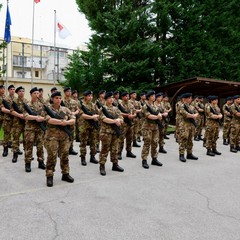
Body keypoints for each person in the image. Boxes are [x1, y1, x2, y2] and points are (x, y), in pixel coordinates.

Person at [42, 91, 75, 187]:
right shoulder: (47, 109)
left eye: (60, 98)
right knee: (52, 156)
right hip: (52, 138)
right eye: (56, 98)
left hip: (64, 137)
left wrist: (67, 123)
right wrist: (62, 122)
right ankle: (49, 176)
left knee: (65, 155)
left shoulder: (65, 109)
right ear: (52, 99)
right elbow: (49, 120)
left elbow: (73, 119)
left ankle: (65, 174)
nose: (58, 100)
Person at [98, 91, 124, 175]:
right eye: (109, 98)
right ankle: (102, 166)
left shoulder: (116, 108)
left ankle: (115, 164)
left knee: (114, 149)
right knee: (105, 149)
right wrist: (115, 121)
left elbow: (121, 118)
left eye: (112, 98)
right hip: (106, 133)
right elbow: (104, 119)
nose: (111, 99)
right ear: (105, 99)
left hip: (114, 132)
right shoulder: (103, 108)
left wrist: (119, 120)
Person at [23, 87, 46, 172]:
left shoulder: (42, 105)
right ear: (31, 94)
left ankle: (41, 162)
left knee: (40, 146)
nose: (36, 95)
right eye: (34, 93)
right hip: (30, 129)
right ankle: (28, 163)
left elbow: (46, 115)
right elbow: (25, 116)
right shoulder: (27, 104)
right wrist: (36, 117)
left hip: (39, 129)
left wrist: (42, 118)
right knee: (29, 146)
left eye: (37, 93)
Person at [141, 90, 163, 169]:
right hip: (147, 127)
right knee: (147, 143)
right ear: (149, 97)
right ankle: (144, 160)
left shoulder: (155, 105)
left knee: (155, 143)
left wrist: (159, 115)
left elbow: (158, 112)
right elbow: (149, 116)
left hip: (155, 127)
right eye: (153, 96)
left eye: (154, 96)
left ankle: (154, 159)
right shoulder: (145, 106)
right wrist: (158, 117)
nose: (154, 97)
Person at [78, 90, 99, 166]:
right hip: (84, 126)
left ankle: (92, 157)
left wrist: (97, 116)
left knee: (93, 142)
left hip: (92, 126)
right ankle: (83, 157)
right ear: (85, 97)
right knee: (83, 143)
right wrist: (92, 117)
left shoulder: (93, 105)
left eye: (91, 96)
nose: (91, 97)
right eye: (89, 96)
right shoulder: (81, 105)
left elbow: (98, 113)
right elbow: (82, 115)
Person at [178, 93, 199, 162]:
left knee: (190, 140)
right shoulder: (181, 106)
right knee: (183, 139)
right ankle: (181, 154)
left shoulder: (191, 106)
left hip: (191, 125)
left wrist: (194, 115)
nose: (191, 99)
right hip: (184, 125)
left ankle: (189, 154)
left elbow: (197, 112)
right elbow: (186, 115)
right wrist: (193, 115)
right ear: (185, 99)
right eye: (190, 98)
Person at [11, 86, 28, 163]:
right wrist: (19, 115)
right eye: (20, 91)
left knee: (26, 140)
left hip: (25, 123)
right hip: (17, 123)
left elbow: (29, 111)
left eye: (23, 91)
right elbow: (11, 111)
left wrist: (25, 116)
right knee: (15, 139)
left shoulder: (27, 101)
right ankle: (15, 155)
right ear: (17, 93)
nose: (22, 92)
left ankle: (27, 155)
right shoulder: (14, 101)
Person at [117, 91, 136, 160]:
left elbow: (135, 112)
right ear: (122, 97)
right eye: (125, 96)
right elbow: (118, 113)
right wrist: (128, 115)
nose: (127, 97)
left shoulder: (131, 104)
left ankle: (129, 151)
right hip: (123, 124)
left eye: (128, 96)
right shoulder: (119, 104)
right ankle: (119, 153)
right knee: (121, 139)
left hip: (130, 124)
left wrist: (133, 116)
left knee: (130, 138)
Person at [62, 87, 79, 155]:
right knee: (63, 134)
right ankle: (63, 148)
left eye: (70, 91)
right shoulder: (61, 101)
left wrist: (73, 113)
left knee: (71, 135)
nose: (69, 92)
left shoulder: (74, 101)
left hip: (72, 120)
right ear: (65, 92)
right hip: (64, 120)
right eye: (68, 91)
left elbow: (78, 110)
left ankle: (70, 148)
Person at [1, 85, 15, 157]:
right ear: (9, 90)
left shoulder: (16, 99)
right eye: (11, 89)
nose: (12, 90)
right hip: (7, 119)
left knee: (15, 135)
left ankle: (16, 149)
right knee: (7, 134)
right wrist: (11, 112)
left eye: (13, 89)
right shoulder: (5, 99)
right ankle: (5, 149)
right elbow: (2, 109)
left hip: (15, 120)